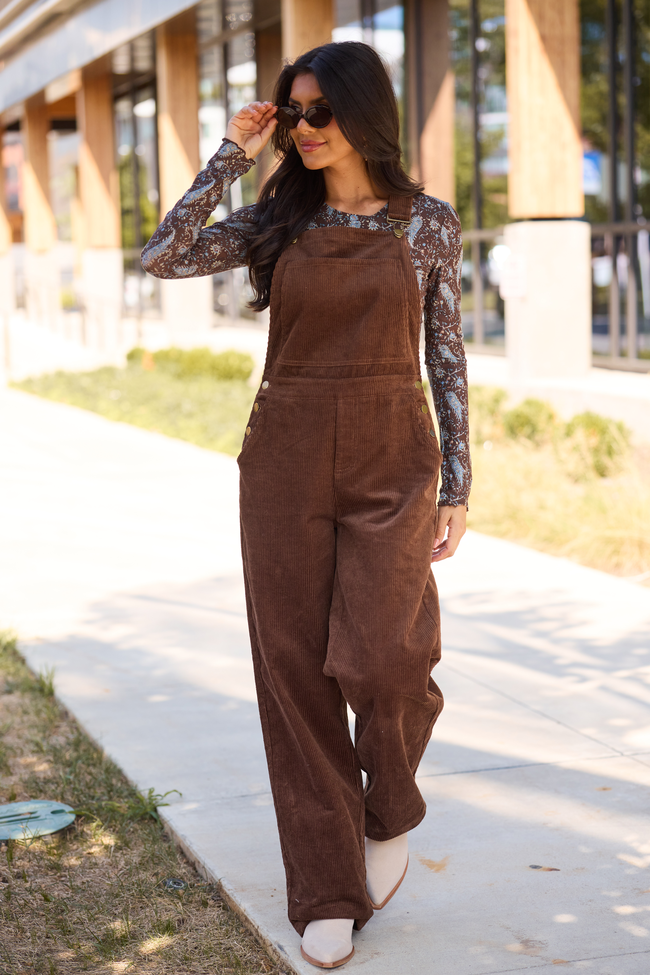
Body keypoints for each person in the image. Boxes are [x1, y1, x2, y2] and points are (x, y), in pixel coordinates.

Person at [142, 40, 471, 970]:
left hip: (392, 455)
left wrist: (458, 481)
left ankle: (389, 807)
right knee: (294, 671)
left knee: (387, 656)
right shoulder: (278, 220)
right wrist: (232, 154)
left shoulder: (427, 225)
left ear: (365, 113)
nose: (307, 129)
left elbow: (446, 354)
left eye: (321, 111)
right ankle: (326, 886)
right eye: (295, 114)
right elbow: (162, 255)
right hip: (284, 455)